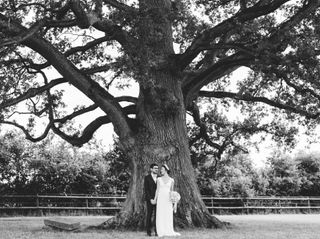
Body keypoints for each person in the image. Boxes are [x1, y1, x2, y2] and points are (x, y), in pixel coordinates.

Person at [153, 164, 180, 237]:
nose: (160, 170)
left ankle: (168, 230)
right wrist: (155, 199)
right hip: (161, 199)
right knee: (160, 214)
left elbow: (172, 192)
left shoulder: (172, 180)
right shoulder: (159, 179)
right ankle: (161, 230)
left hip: (168, 200)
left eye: (161, 169)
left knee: (168, 214)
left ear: (165, 170)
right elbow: (157, 190)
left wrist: (174, 203)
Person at [144, 163, 159, 236]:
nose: (156, 169)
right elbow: (146, 190)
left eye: (157, 168)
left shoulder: (160, 178)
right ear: (151, 169)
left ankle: (157, 231)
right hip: (149, 199)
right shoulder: (147, 178)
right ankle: (148, 231)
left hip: (158, 199)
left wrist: (157, 199)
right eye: (155, 168)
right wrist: (150, 199)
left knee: (158, 215)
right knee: (149, 215)